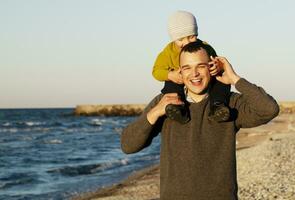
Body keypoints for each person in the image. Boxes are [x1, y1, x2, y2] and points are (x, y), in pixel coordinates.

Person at [121, 41, 279, 200]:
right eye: (187, 68)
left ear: (211, 68)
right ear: (180, 73)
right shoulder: (166, 103)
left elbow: (269, 109)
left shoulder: (228, 103)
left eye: (201, 66)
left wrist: (235, 79)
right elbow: (128, 145)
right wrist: (155, 113)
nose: (194, 73)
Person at [153, 10, 231, 124]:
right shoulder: (168, 52)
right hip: (178, 80)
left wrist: (218, 67)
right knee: (170, 85)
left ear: (197, 34)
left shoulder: (205, 47)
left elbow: (217, 61)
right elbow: (156, 71)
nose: (187, 42)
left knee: (221, 81)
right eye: (180, 39)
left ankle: (218, 107)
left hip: (203, 79)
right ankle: (178, 109)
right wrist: (170, 75)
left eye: (191, 37)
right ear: (173, 39)